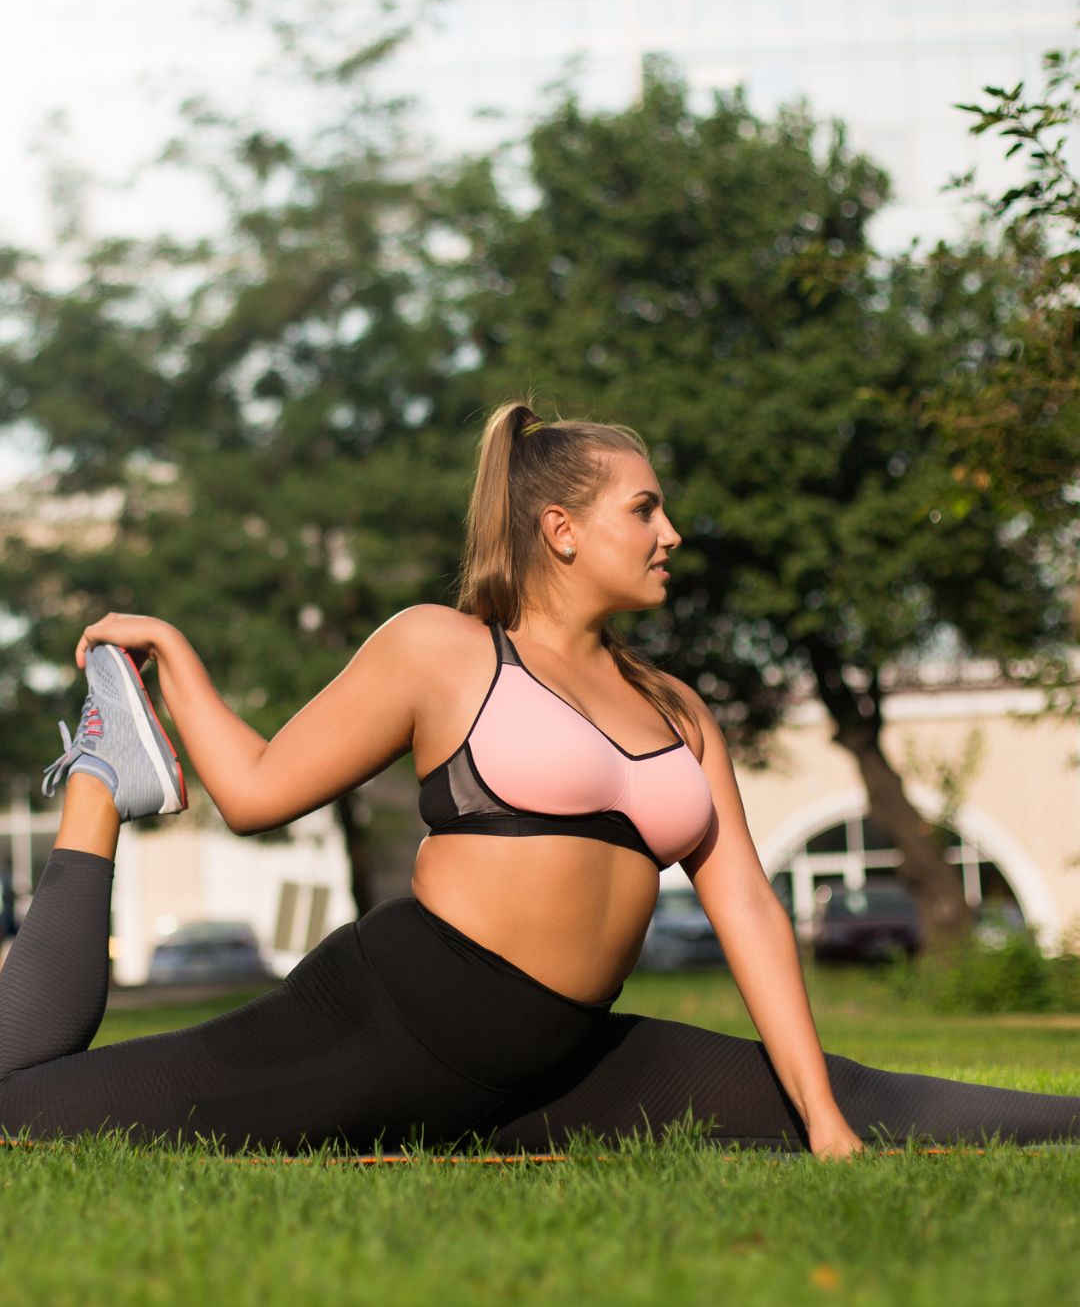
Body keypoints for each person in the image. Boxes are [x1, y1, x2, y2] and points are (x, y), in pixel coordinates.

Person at [11, 402, 1078, 1161]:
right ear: (561, 531)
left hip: (560, 1060)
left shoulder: (676, 708)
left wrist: (825, 1124)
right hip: (388, 1024)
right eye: (644, 511)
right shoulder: (443, 650)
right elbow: (250, 793)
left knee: (857, 1096)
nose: (671, 535)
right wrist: (175, 662)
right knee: (23, 1112)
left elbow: (748, 904)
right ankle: (102, 779)